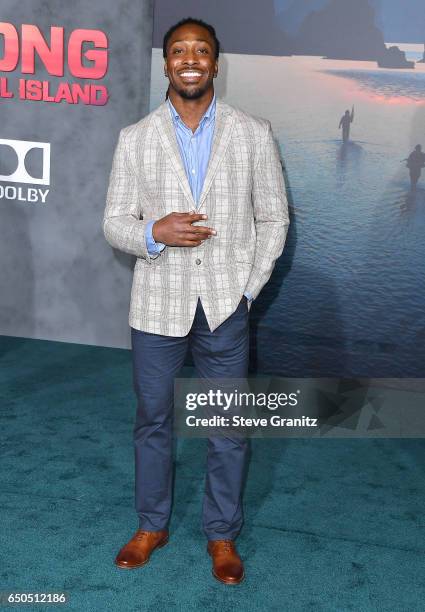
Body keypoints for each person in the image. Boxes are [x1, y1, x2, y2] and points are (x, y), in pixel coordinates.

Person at [103, 17, 290, 585]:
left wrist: (246, 289)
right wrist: (153, 232)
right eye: (179, 50)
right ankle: (151, 524)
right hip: (157, 305)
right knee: (154, 420)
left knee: (227, 426)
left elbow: (274, 218)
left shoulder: (253, 132)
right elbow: (114, 222)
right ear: (166, 64)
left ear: (215, 62)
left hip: (225, 308)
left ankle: (221, 534)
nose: (190, 59)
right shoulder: (136, 137)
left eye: (201, 50)